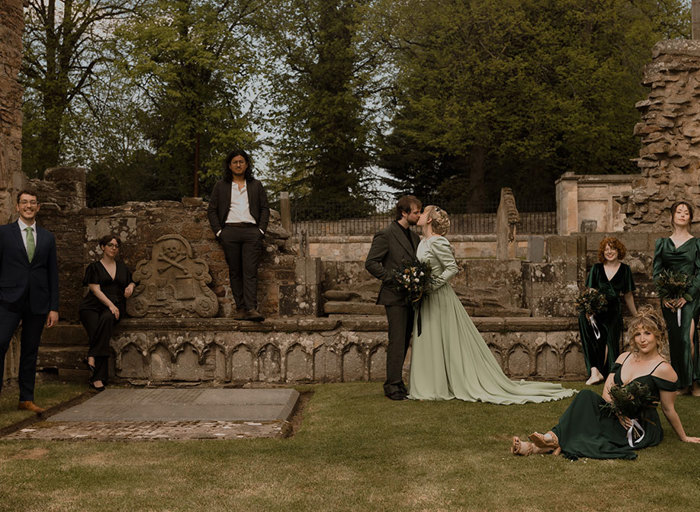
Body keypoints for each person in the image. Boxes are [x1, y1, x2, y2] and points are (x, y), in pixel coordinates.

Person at [407, 206, 574, 404]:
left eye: (424, 212)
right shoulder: (422, 241)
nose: (420, 215)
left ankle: (441, 385)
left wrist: (432, 285)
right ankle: (431, 384)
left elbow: (451, 268)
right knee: (429, 337)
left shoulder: (438, 241)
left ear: (429, 220)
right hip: (425, 299)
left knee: (441, 337)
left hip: (438, 297)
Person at [512, 306, 700, 459]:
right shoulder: (624, 357)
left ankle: (537, 445)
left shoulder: (664, 369)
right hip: (615, 413)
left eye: (648, 333)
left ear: (658, 336)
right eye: (637, 334)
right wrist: (616, 411)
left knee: (588, 428)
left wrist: (683, 437)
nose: (642, 339)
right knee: (586, 396)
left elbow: (668, 409)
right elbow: (607, 391)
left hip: (636, 425)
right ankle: (547, 440)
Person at [0, 189, 59, 414]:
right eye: (24, 202)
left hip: (38, 302)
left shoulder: (47, 237)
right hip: (7, 300)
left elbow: (52, 273)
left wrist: (54, 307)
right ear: (17, 207)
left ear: (38, 207)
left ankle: (26, 398)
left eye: (32, 203)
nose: (28, 206)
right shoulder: (4, 233)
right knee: (0, 344)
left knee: (30, 350)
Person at [365, 195, 422, 400]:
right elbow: (371, 263)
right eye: (416, 212)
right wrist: (395, 279)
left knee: (405, 341)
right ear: (404, 213)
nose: (419, 215)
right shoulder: (386, 234)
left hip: (411, 297)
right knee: (397, 341)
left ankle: (398, 383)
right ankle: (392, 386)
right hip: (394, 296)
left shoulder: (415, 238)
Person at [207, 149, 270, 322]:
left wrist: (261, 231)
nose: (238, 164)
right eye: (235, 162)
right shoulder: (221, 186)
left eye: (241, 161)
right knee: (235, 272)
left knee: (250, 271)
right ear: (229, 165)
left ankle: (251, 309)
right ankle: (240, 309)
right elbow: (211, 210)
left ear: (247, 164)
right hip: (230, 232)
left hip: (251, 232)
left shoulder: (256, 185)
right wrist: (220, 232)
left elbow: (265, 209)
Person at [652, 201, 700, 396]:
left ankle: (695, 382)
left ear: (690, 218)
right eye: (678, 212)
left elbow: (699, 272)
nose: (682, 214)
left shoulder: (697, 243)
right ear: (671, 217)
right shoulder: (662, 243)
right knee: (676, 339)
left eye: (686, 212)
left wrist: (688, 295)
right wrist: (664, 295)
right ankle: (682, 382)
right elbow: (657, 272)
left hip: (691, 297)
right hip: (669, 299)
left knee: (687, 338)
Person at [79, 235, 135, 391]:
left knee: (104, 324)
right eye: (110, 245)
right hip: (92, 306)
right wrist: (110, 305)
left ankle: (91, 357)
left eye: (116, 246)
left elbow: (131, 280)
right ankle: (98, 378)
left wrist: (130, 287)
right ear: (102, 247)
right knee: (99, 332)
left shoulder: (122, 267)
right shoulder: (94, 267)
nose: (113, 248)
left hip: (115, 306)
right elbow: (95, 290)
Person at [579, 237, 637, 385]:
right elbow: (591, 291)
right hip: (596, 309)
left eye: (612, 248)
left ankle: (609, 373)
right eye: (606, 249)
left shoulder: (625, 270)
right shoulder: (596, 269)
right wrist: (589, 310)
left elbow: (628, 296)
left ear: (618, 251)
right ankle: (594, 371)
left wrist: (636, 316)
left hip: (613, 310)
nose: (609, 252)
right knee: (589, 330)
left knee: (608, 339)